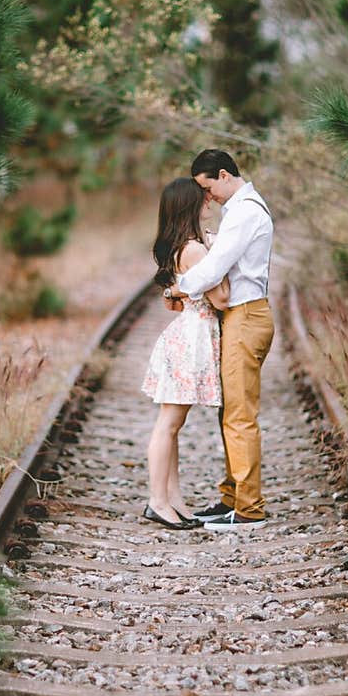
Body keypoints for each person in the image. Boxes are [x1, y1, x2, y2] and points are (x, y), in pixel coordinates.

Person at [165, 149, 274, 527]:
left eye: (206, 187)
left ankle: (249, 510)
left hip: (246, 316)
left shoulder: (245, 212)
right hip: (239, 318)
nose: (205, 197)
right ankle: (233, 498)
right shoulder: (238, 211)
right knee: (230, 412)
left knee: (240, 416)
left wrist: (178, 288)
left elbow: (213, 269)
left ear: (223, 175)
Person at [141, 177, 230, 530]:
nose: (208, 201)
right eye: (202, 197)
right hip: (191, 338)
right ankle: (157, 501)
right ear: (189, 206)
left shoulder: (188, 245)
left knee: (173, 425)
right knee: (169, 424)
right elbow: (220, 298)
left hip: (187, 333)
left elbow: (177, 301)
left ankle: (173, 499)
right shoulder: (194, 249)